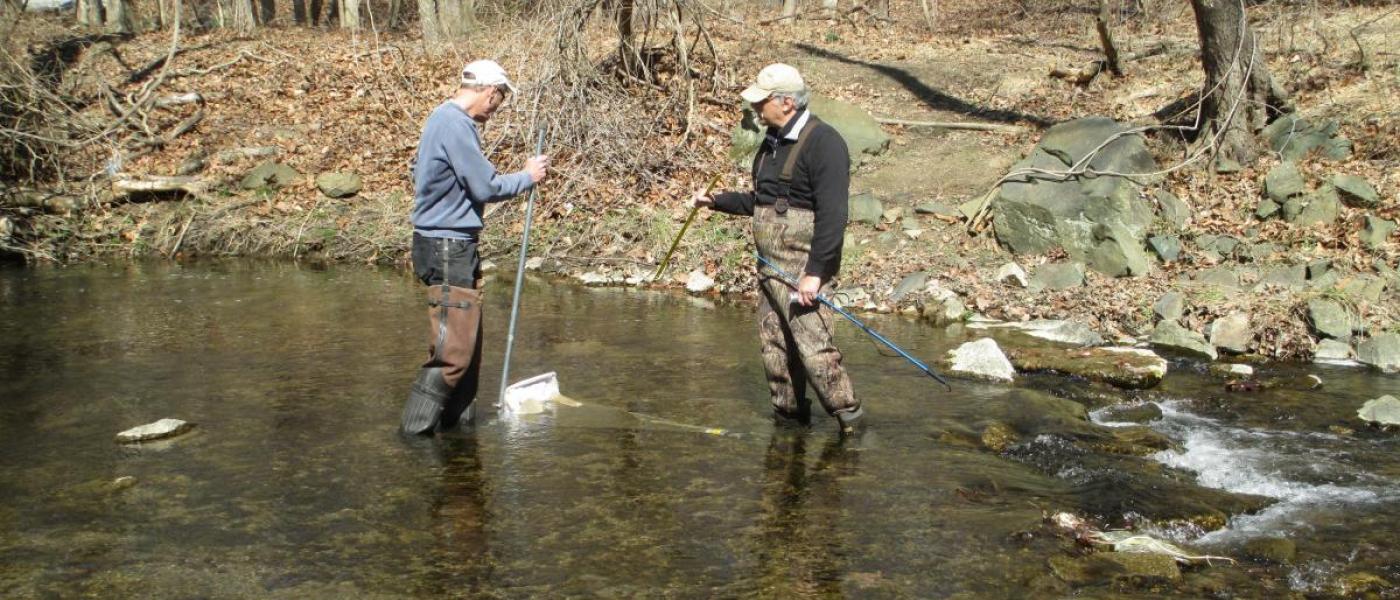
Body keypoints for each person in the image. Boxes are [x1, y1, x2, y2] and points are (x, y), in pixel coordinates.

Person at [693, 63, 861, 435]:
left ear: (786, 102)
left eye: (762, 101)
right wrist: (716, 202)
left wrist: (815, 273)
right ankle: (788, 427)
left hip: (804, 273)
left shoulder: (825, 143)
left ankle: (852, 423)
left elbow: (834, 216)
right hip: (770, 271)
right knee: (775, 354)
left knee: (816, 353)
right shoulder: (770, 144)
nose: (755, 108)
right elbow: (762, 201)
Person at [401, 59, 549, 436]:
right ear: (489, 90)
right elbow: (485, 186)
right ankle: (414, 436)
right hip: (447, 246)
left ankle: (457, 435)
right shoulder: (454, 124)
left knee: (466, 347)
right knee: (453, 355)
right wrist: (527, 177)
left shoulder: (444, 120)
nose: (495, 109)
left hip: (449, 244)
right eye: (497, 100)